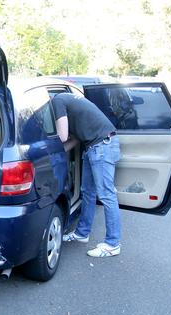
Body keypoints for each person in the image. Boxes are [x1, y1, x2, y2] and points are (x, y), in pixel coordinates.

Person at [52, 92, 122, 257]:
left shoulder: (57, 101)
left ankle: (113, 244)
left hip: (102, 146)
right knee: (87, 192)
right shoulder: (69, 100)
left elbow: (62, 136)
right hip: (94, 146)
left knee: (106, 195)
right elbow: (75, 138)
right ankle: (82, 233)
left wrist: (47, 147)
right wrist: (55, 153)